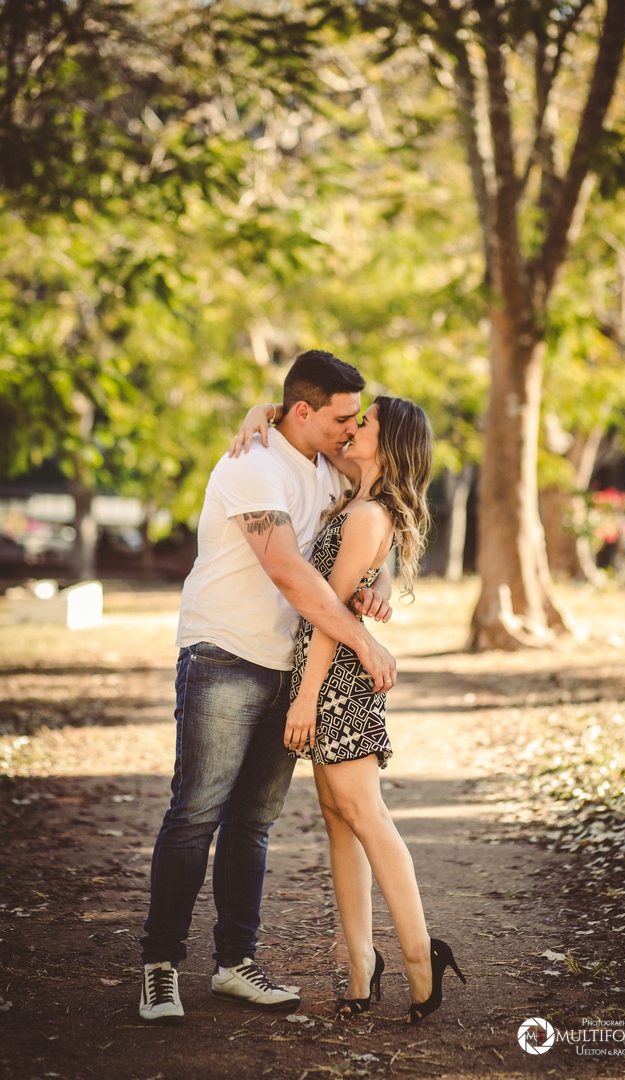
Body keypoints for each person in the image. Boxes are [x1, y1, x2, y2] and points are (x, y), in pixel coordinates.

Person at [139, 351, 397, 1024]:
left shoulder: (320, 460)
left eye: (355, 419)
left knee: (253, 824)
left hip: (287, 665)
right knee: (195, 813)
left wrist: (385, 574)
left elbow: (379, 490)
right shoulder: (250, 465)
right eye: (342, 417)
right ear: (304, 412)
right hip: (224, 655)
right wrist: (362, 638)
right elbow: (284, 567)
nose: (351, 429)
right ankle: (160, 966)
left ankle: (234, 965)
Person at [236, 394, 465, 1024]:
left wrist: (306, 698)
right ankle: (361, 964)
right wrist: (262, 411)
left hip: (335, 681)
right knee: (340, 820)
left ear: (389, 445)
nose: (352, 428)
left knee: (366, 815)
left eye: (365, 424)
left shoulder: (367, 512)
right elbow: (313, 440)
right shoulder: (355, 496)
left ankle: (421, 957)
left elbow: (332, 616)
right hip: (326, 675)